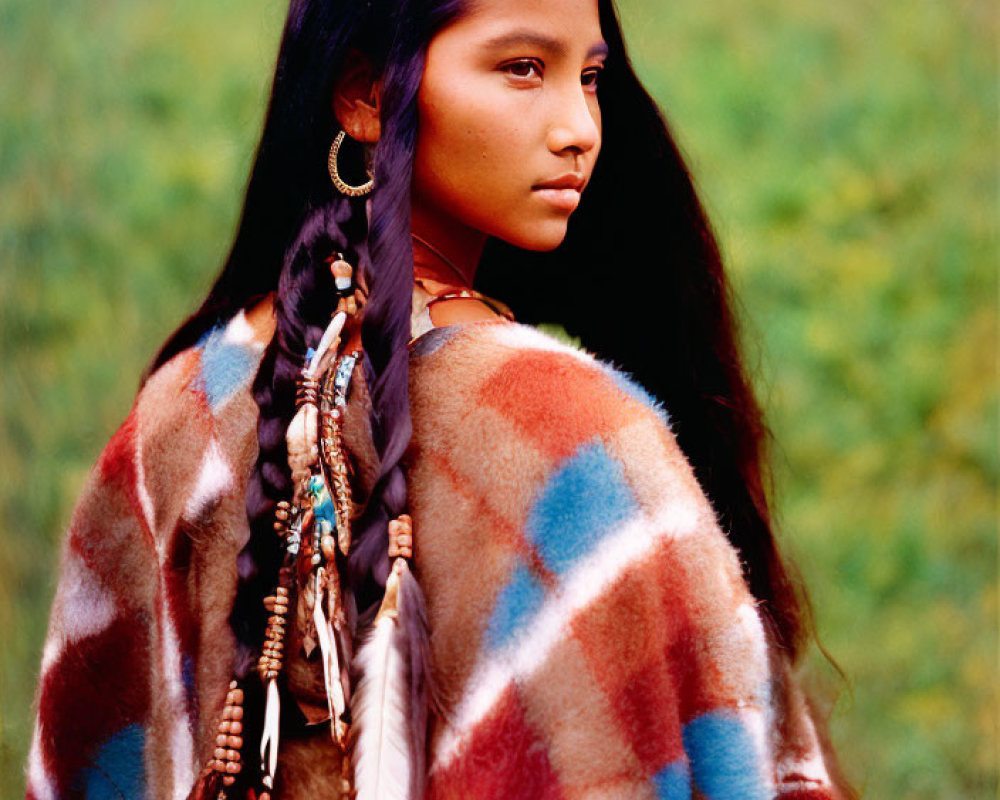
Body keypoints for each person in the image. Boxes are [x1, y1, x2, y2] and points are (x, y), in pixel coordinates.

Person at [26, 0, 852, 797]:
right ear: (364, 94)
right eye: (523, 68)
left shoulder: (178, 414)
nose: (580, 129)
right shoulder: (580, 441)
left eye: (591, 78)